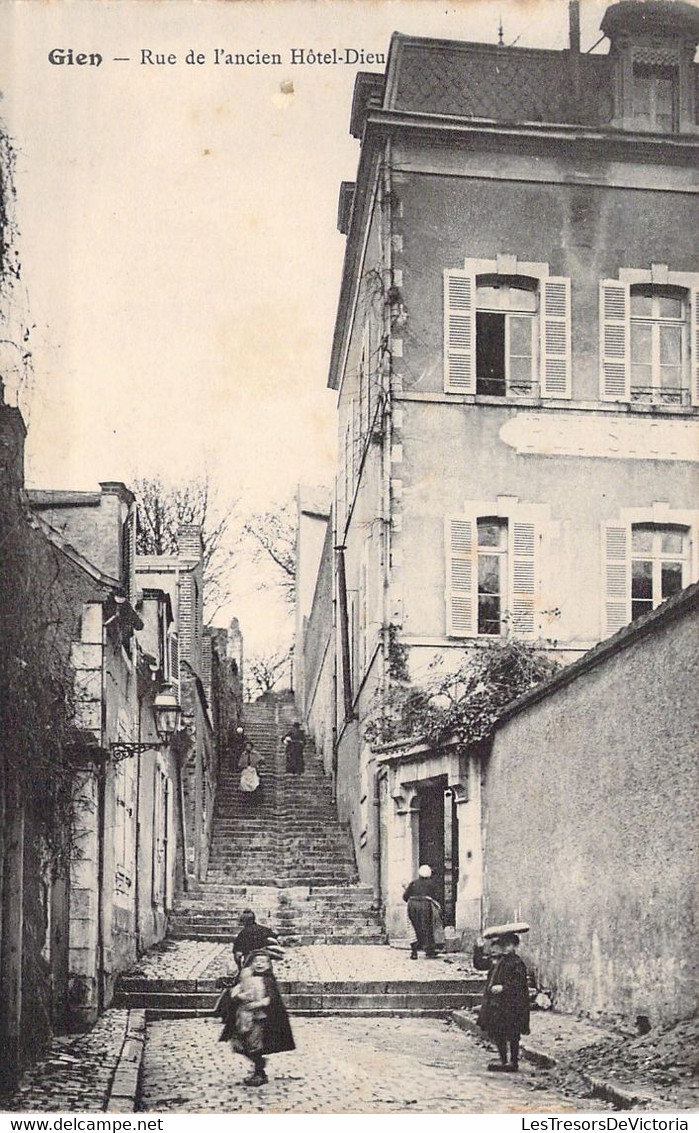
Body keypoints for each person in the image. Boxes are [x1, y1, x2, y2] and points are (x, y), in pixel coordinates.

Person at [218, 950, 295, 1087]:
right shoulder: (245, 977)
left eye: (263, 961)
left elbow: (271, 999)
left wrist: (258, 1004)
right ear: (250, 963)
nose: (259, 964)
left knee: (254, 1045)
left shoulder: (268, 980)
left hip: (259, 1018)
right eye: (256, 961)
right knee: (239, 1045)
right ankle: (259, 1063)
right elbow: (235, 991)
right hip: (242, 1017)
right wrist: (237, 996)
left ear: (269, 965)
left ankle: (259, 1072)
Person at [474, 930, 530, 1073]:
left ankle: (513, 1061)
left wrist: (504, 988)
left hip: (512, 1005)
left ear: (514, 946)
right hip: (496, 1004)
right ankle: (503, 1060)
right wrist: (479, 948)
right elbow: (479, 964)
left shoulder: (517, 963)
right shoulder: (497, 960)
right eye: (503, 945)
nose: (505, 948)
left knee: (513, 1033)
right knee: (498, 1031)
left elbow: (519, 984)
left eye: (509, 945)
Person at [402, 864, 443, 959]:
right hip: (425, 905)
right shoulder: (432, 884)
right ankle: (429, 950)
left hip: (412, 905)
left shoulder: (413, 883)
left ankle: (414, 952)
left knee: (412, 927)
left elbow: (405, 897)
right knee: (427, 927)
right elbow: (437, 896)